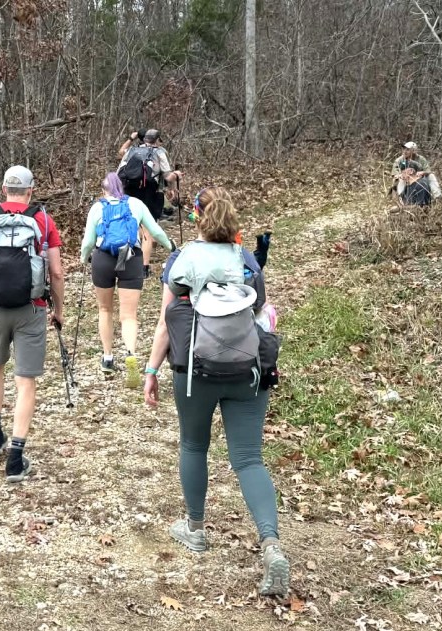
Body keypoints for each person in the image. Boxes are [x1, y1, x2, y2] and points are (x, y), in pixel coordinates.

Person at [143, 186, 290, 597]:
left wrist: (152, 370)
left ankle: (195, 528)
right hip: (247, 369)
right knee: (249, 458)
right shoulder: (247, 260)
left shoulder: (183, 258)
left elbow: (165, 322)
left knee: (194, 445)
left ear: (198, 219)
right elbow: (261, 311)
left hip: (196, 370)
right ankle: (271, 544)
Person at [0, 166, 65, 483]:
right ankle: (16, 459)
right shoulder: (43, 220)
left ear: (4, 189)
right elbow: (56, 272)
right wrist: (58, 310)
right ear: (30, 191)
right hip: (31, 307)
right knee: (25, 380)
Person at [81, 172, 174, 387]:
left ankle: (107, 357)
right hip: (131, 258)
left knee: (105, 309)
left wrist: (84, 258)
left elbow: (88, 242)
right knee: (129, 315)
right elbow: (156, 231)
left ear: (103, 190)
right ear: (122, 188)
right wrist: (171, 247)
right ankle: (130, 353)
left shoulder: (97, 208)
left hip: (103, 259)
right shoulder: (136, 204)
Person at [117, 129, 183, 278]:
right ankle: (143, 268)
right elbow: (168, 176)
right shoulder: (160, 152)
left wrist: (130, 139)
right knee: (148, 230)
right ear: (158, 140)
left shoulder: (132, 150)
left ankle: (121, 264)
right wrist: (176, 175)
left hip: (128, 190)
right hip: (149, 193)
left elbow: (121, 155)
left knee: (128, 225)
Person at [391, 141, 440, 206]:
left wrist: (423, 172)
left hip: (419, 179)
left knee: (431, 176)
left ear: (413, 151)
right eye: (404, 149)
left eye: (407, 150)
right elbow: (394, 173)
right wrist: (400, 175)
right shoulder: (400, 160)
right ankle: (400, 200)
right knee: (398, 179)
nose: (405, 151)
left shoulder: (421, 159)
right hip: (405, 179)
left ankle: (437, 198)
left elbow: (428, 170)